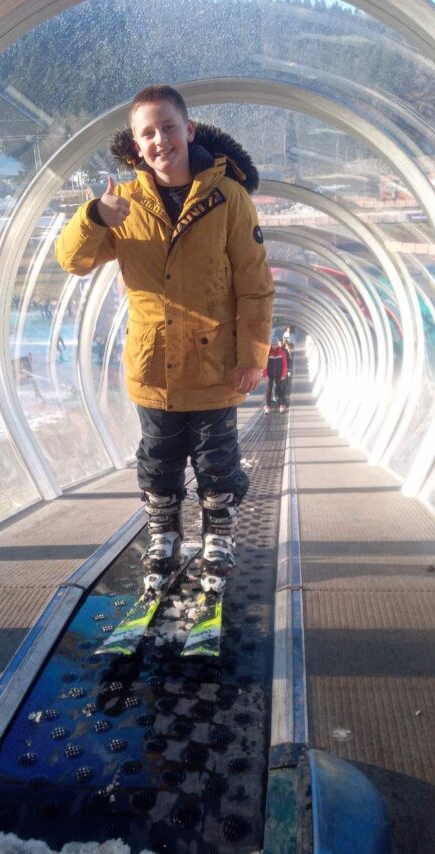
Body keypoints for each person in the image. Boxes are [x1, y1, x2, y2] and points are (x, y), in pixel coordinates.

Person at [55, 84, 274, 591]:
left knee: (217, 459)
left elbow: (255, 286)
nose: (160, 141)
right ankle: (165, 535)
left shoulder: (229, 198)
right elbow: (73, 261)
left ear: (189, 130)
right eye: (148, 133)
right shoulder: (122, 204)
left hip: (216, 366)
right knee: (158, 458)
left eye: (169, 128)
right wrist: (95, 217)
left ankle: (218, 536)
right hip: (153, 367)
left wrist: (253, 357)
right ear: (135, 144)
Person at [262, 337, 290, 413]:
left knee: (281, 389)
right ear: (270, 345)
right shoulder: (267, 353)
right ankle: (267, 405)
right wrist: (265, 375)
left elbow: (285, 364)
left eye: (275, 344)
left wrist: (283, 374)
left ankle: (282, 404)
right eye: (273, 344)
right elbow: (264, 364)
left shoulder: (282, 352)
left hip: (279, 374)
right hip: (270, 374)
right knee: (268, 389)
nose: (274, 346)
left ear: (278, 344)